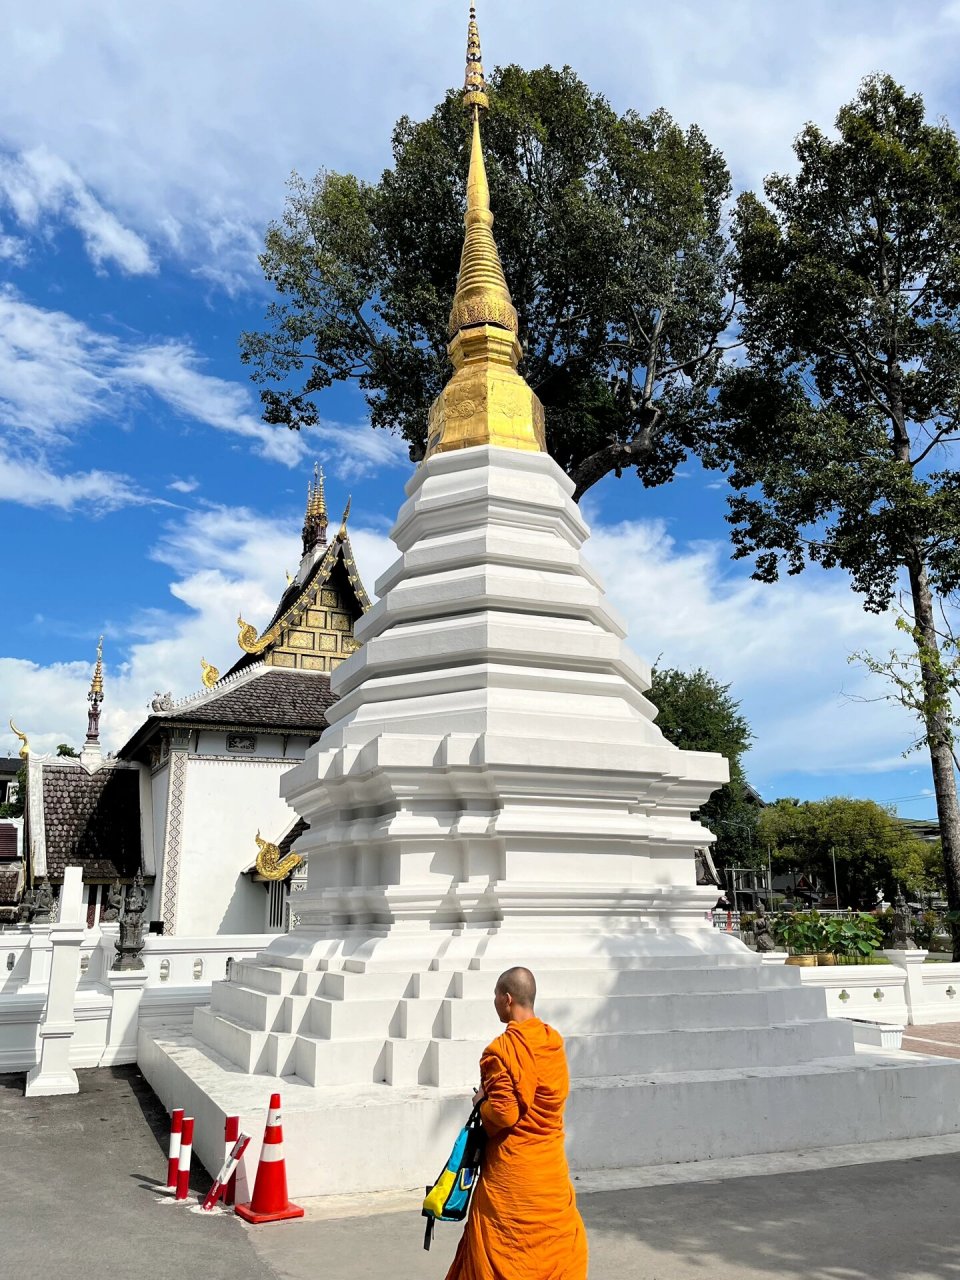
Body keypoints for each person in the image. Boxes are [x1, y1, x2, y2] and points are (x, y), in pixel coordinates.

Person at [444, 966, 588, 1280]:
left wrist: (481, 1103)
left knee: (503, 1252)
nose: (494, 1002)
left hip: (513, 1177)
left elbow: (505, 1114)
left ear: (507, 999)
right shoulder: (553, 1043)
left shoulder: (500, 1051)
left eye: (496, 996)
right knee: (555, 1248)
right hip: (549, 1172)